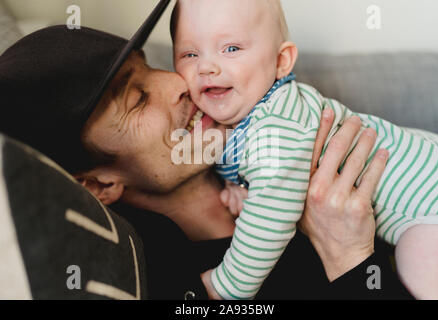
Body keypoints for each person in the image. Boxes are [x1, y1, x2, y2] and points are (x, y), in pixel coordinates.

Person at [0, 2, 411, 299]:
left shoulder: (266, 140)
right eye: (138, 98)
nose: (180, 83)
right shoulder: (180, 283)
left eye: (151, 66)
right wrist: (350, 257)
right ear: (97, 183)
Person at [170, 0, 438, 300]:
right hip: (434, 171)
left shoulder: (277, 124)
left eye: (231, 49)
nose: (206, 66)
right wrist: (235, 182)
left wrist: (226, 286)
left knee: (422, 259)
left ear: (281, 61)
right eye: (190, 53)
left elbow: (270, 217)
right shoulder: (256, 117)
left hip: (436, 204)